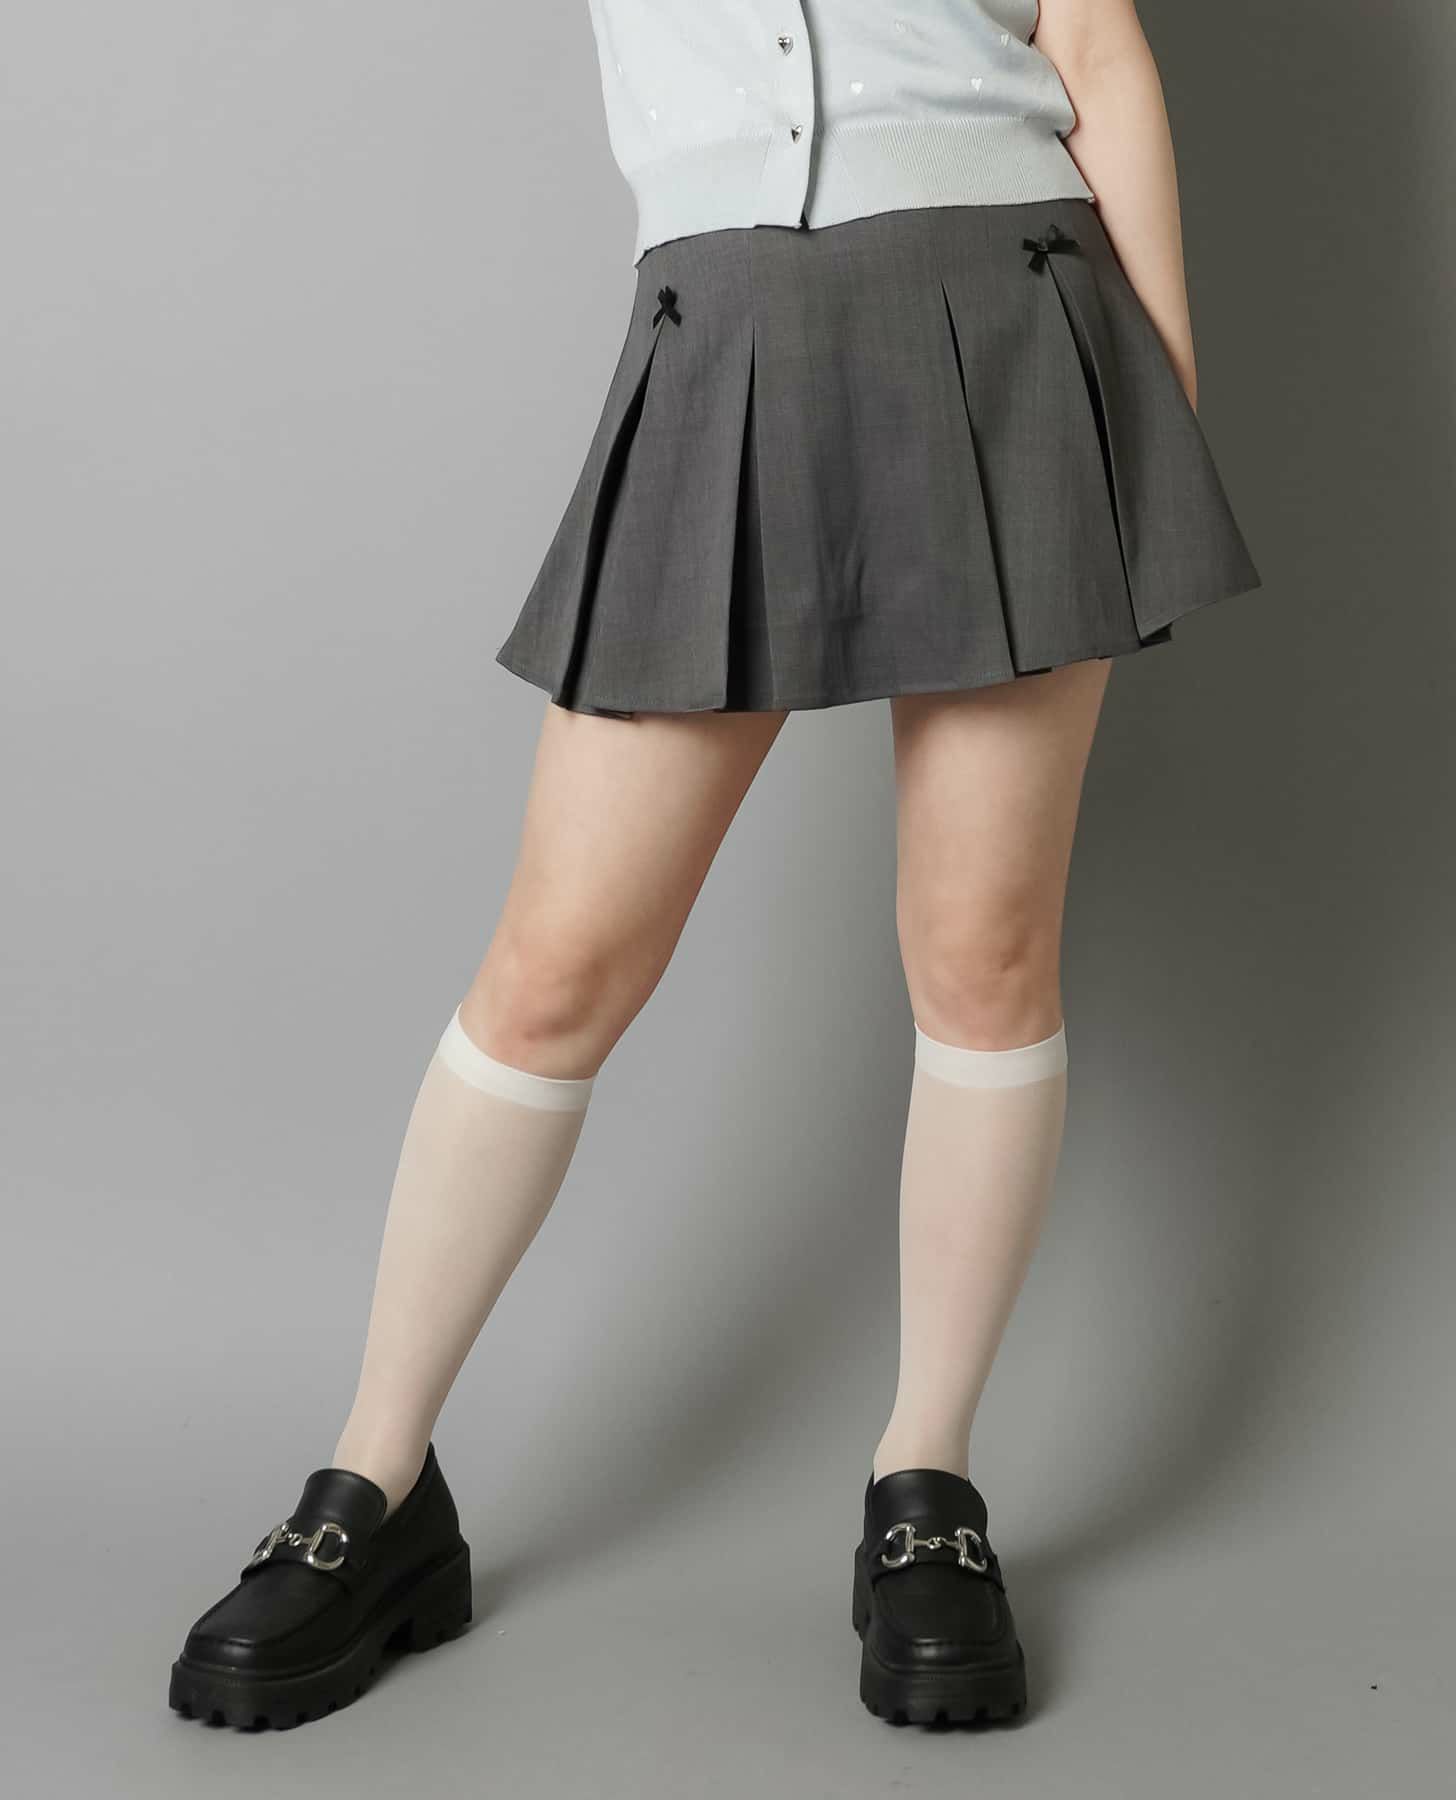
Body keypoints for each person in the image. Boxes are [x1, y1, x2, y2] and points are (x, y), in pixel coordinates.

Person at [169, 0, 1260, 1732]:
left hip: (1018, 313)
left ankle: (925, 1485)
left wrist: (1161, 391)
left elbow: (1097, 47)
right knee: (555, 969)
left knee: (983, 953)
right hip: (725, 322)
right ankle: (375, 1488)